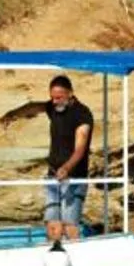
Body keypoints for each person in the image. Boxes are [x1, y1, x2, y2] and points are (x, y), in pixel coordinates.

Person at [43, 74, 94, 250]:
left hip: (74, 177)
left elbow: (80, 148)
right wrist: (12, 115)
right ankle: (52, 252)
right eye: (52, 97)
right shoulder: (52, 108)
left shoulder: (82, 114)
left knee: (70, 223)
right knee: (52, 220)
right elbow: (34, 107)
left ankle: (75, 253)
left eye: (59, 97)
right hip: (52, 175)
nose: (55, 101)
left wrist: (66, 168)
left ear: (70, 93)